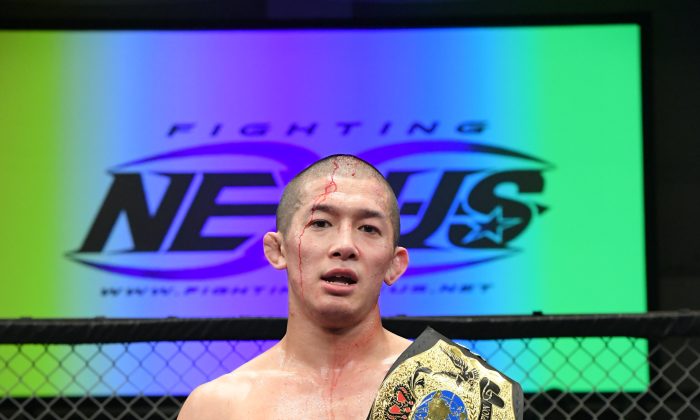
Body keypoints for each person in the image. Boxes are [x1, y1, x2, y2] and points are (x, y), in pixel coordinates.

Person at [178, 154, 522, 420]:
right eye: (321, 223)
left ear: (395, 264)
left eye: (368, 229)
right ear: (277, 250)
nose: (345, 245)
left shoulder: (461, 389)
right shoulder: (217, 407)